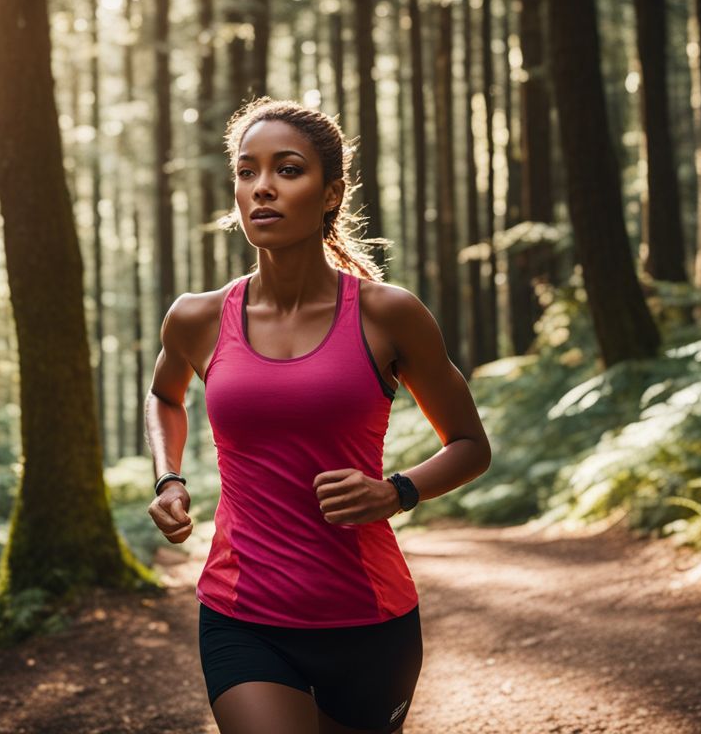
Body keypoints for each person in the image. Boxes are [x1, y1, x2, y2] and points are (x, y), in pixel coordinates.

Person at [145, 97, 491, 734]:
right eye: (247, 172)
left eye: (288, 170)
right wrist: (169, 478)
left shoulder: (388, 315)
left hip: (369, 618)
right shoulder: (197, 317)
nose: (262, 189)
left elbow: (471, 444)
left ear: (330, 193)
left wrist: (396, 492)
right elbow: (166, 395)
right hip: (240, 613)